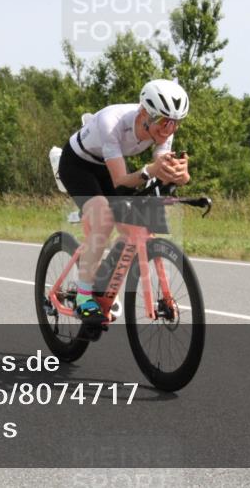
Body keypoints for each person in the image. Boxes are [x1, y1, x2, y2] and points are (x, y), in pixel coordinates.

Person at [56, 79, 191, 324]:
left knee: (133, 225)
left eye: (175, 123)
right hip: (78, 164)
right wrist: (151, 170)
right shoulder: (112, 122)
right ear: (144, 114)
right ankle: (83, 298)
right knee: (104, 219)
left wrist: (181, 175)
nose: (168, 129)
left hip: (109, 164)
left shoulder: (163, 132)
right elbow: (120, 179)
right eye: (163, 121)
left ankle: (103, 284)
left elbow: (160, 172)